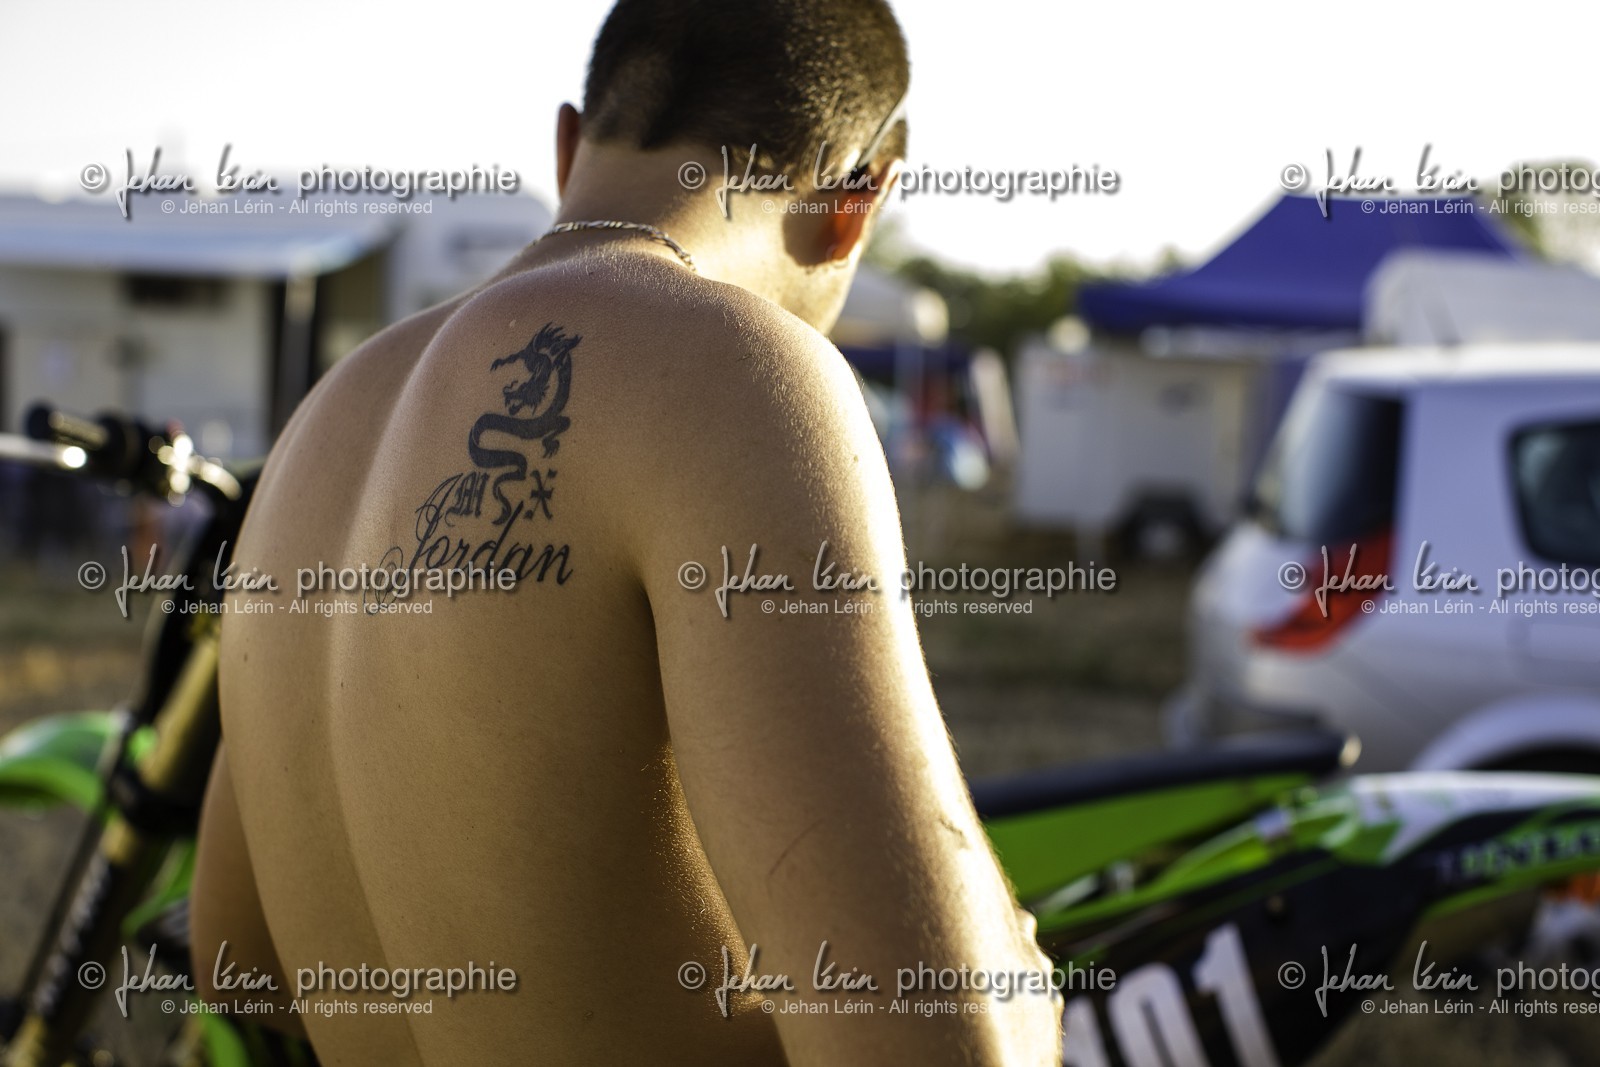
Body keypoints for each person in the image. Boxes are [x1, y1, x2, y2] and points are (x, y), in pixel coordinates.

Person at [191, 1, 1062, 1062]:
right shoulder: (731, 373)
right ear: (855, 199)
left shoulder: (324, 420)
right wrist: (1014, 966)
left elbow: (240, 956)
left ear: (568, 149)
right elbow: (944, 1037)